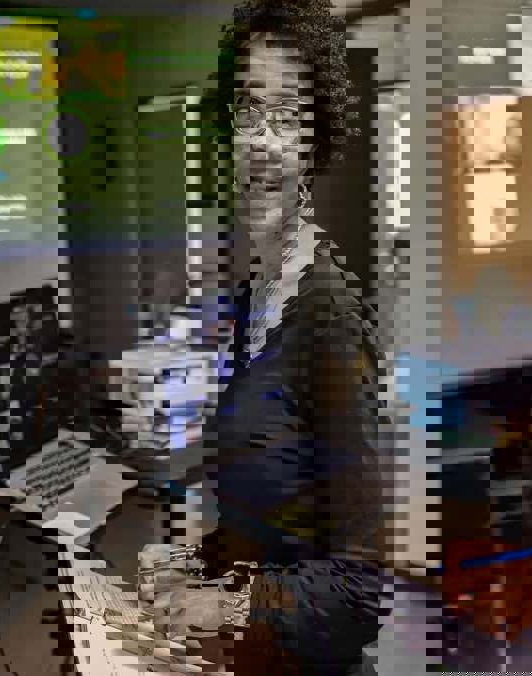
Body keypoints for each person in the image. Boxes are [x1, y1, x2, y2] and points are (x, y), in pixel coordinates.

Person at [133, 2, 391, 675]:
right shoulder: (254, 296)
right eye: (249, 110)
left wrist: (222, 607)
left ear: (317, 141)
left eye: (290, 115)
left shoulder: (329, 320)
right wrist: (200, 562)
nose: (264, 141)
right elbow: (277, 519)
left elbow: (362, 592)